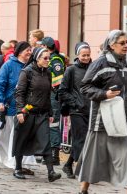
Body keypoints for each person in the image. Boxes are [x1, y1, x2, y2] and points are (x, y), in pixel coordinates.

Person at [76, 30, 127, 194]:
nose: (126, 46)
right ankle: (84, 188)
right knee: (93, 159)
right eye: (122, 43)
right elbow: (85, 87)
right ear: (111, 44)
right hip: (102, 121)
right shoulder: (100, 64)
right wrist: (104, 94)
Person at [12, 47, 61, 182]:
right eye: (45, 58)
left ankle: (51, 172)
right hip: (27, 112)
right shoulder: (26, 72)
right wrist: (20, 111)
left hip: (42, 114)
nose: (48, 61)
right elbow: (19, 93)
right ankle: (17, 168)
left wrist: (50, 112)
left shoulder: (48, 73)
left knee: (46, 141)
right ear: (37, 58)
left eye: (49, 58)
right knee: (21, 140)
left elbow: (47, 95)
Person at [0, 41, 35, 173]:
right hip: (8, 106)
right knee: (2, 136)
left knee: (20, 137)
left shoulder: (32, 67)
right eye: (27, 50)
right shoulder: (8, 65)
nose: (29, 52)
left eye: (30, 50)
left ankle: (19, 164)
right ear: (19, 51)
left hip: (24, 108)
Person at [58, 42, 91, 179]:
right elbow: (62, 91)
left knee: (86, 140)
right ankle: (83, 169)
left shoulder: (93, 68)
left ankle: (68, 164)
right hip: (76, 110)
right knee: (81, 139)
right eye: (83, 55)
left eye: (88, 55)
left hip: (91, 110)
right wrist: (75, 103)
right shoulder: (71, 70)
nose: (86, 57)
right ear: (77, 55)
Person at [41, 36, 65, 165]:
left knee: (53, 125)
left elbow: (58, 81)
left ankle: (54, 156)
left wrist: (47, 84)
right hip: (48, 96)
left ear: (46, 47)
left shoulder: (55, 61)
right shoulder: (49, 59)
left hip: (53, 97)